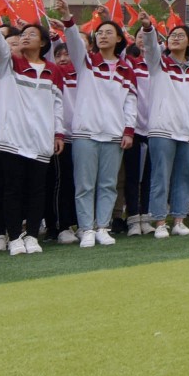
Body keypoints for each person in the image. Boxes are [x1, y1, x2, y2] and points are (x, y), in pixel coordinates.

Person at [0, 13, 69, 254]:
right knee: (12, 189)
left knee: (37, 190)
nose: (25, 38)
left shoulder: (53, 71)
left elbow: (58, 104)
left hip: (40, 139)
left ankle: (31, 235)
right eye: (23, 34)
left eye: (31, 35)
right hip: (11, 139)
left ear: (44, 43)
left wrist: (58, 133)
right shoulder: (9, 64)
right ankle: (14, 236)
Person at [63, 16, 138, 247]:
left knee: (108, 184)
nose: (103, 36)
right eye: (100, 32)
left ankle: (103, 227)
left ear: (119, 39)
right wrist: (68, 21)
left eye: (108, 32)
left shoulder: (126, 70)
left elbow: (130, 103)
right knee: (85, 184)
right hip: (86, 132)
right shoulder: (87, 62)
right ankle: (86, 228)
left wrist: (128, 131)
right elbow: (75, 43)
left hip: (114, 135)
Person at [134, 21, 189, 237]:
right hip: (162, 129)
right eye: (172, 35)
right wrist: (149, 28)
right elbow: (149, 47)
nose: (175, 38)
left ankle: (179, 219)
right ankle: (159, 222)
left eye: (180, 35)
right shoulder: (158, 64)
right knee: (160, 176)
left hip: (188, 130)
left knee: (184, 176)